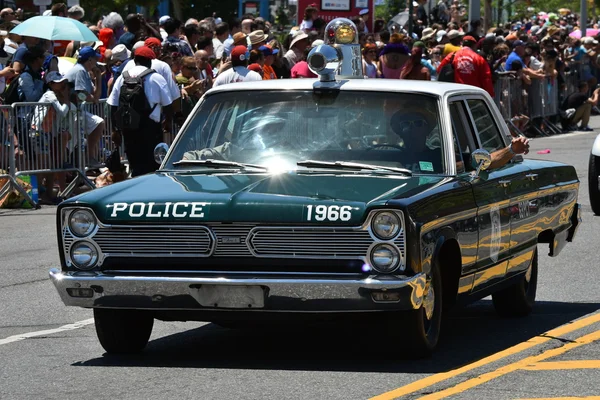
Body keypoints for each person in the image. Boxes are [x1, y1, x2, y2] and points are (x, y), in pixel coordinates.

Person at [108, 46, 173, 177]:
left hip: (129, 128)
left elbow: (113, 105)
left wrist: (115, 129)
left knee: (135, 165)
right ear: (150, 61)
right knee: (152, 167)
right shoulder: (156, 77)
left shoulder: (122, 78)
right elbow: (168, 104)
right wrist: (168, 121)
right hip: (151, 129)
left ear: (134, 60)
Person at [64, 46, 105, 165]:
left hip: (77, 111)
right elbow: (80, 93)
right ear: (90, 60)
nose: (96, 62)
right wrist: (92, 99)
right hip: (70, 112)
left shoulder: (84, 71)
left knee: (98, 123)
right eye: (95, 59)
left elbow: (96, 96)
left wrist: (98, 77)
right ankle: (65, 169)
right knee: (69, 143)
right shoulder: (80, 70)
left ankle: (89, 157)